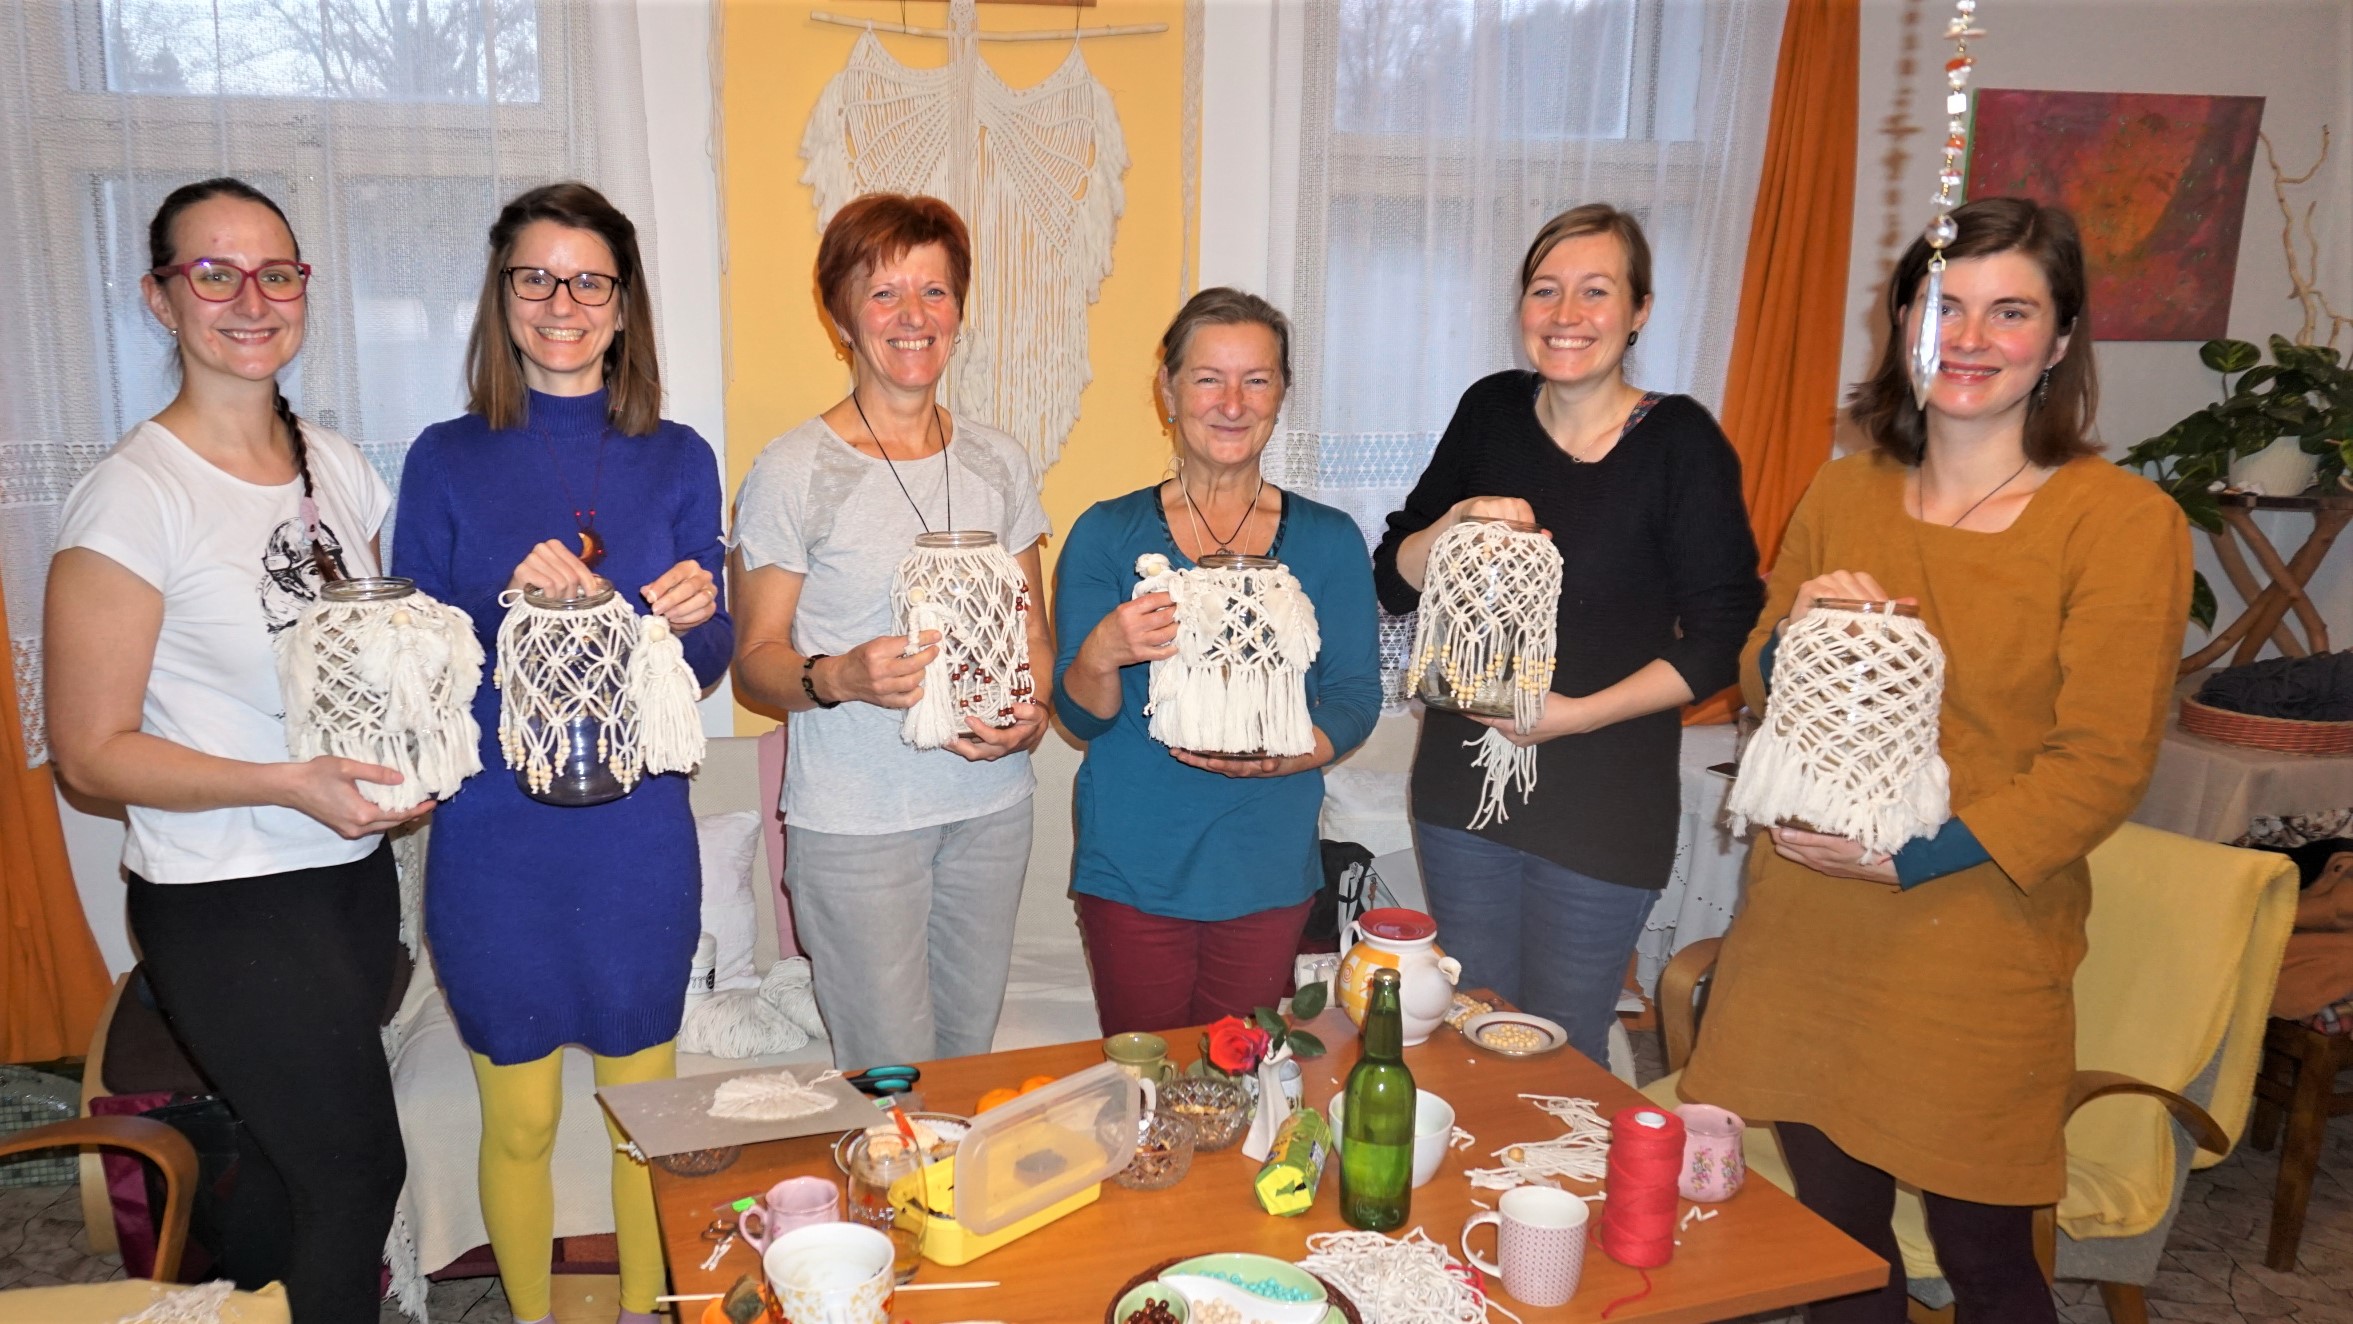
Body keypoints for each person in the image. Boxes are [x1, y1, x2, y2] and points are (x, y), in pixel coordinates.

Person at [1681, 197, 2191, 1323]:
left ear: (2059, 341)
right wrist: (1798, 631)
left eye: (2009, 311)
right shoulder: (1843, 489)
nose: (1968, 338)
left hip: (1971, 941)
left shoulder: (2119, 523)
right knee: (1837, 1250)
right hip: (1806, 931)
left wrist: (1910, 857)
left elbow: (2101, 763)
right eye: (1943, 306)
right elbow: (1759, 678)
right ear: (1903, 323)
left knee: (1986, 1263)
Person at [46, 177, 415, 1320]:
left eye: (276, 273)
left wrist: (410, 757)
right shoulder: (133, 497)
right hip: (224, 898)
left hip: (346, 881)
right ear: (160, 299)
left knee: (288, 1163)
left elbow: (358, 665)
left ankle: (240, 1303)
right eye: (214, 273)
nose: (251, 300)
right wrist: (286, 784)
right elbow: (89, 753)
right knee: (357, 1173)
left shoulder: (337, 465)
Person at [393, 181, 731, 1324]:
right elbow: (414, 660)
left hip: (637, 841)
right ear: (503, 296)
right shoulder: (445, 457)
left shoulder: (678, 456)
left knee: (647, 1120)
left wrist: (694, 614)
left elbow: (709, 657)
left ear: (624, 305)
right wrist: (505, 598)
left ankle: (644, 1312)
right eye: (535, 277)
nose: (563, 302)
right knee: (522, 1118)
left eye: (590, 280)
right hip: (496, 842)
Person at [1370, 204, 1762, 1064]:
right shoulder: (1490, 411)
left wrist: (1575, 715)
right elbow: (1390, 579)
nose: (1565, 314)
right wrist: (1455, 523)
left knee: (1563, 1049)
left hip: (1604, 806)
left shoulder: (1680, 443)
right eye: (1545, 290)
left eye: (1595, 291)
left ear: (1639, 310)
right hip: (1462, 797)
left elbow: (1724, 635)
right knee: (1471, 1031)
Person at [731, 193, 1052, 1071]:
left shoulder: (999, 462)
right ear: (841, 318)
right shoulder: (793, 470)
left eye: (934, 292)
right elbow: (754, 663)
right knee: (894, 1089)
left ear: (958, 312)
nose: (913, 316)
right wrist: (839, 677)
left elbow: (1033, 637)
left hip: (992, 813)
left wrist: (1033, 715)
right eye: (883, 294)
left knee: (966, 1069)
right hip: (856, 828)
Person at [1054, 288, 1384, 1034]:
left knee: (1241, 1070)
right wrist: (1101, 653)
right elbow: (1079, 717)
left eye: (1255, 380)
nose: (1232, 404)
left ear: (1281, 393)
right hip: (1133, 862)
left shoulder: (1329, 539)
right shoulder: (1106, 533)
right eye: (1208, 379)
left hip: (1266, 860)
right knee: (1147, 1073)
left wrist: (1287, 755)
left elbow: (1354, 697)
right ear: (1168, 392)